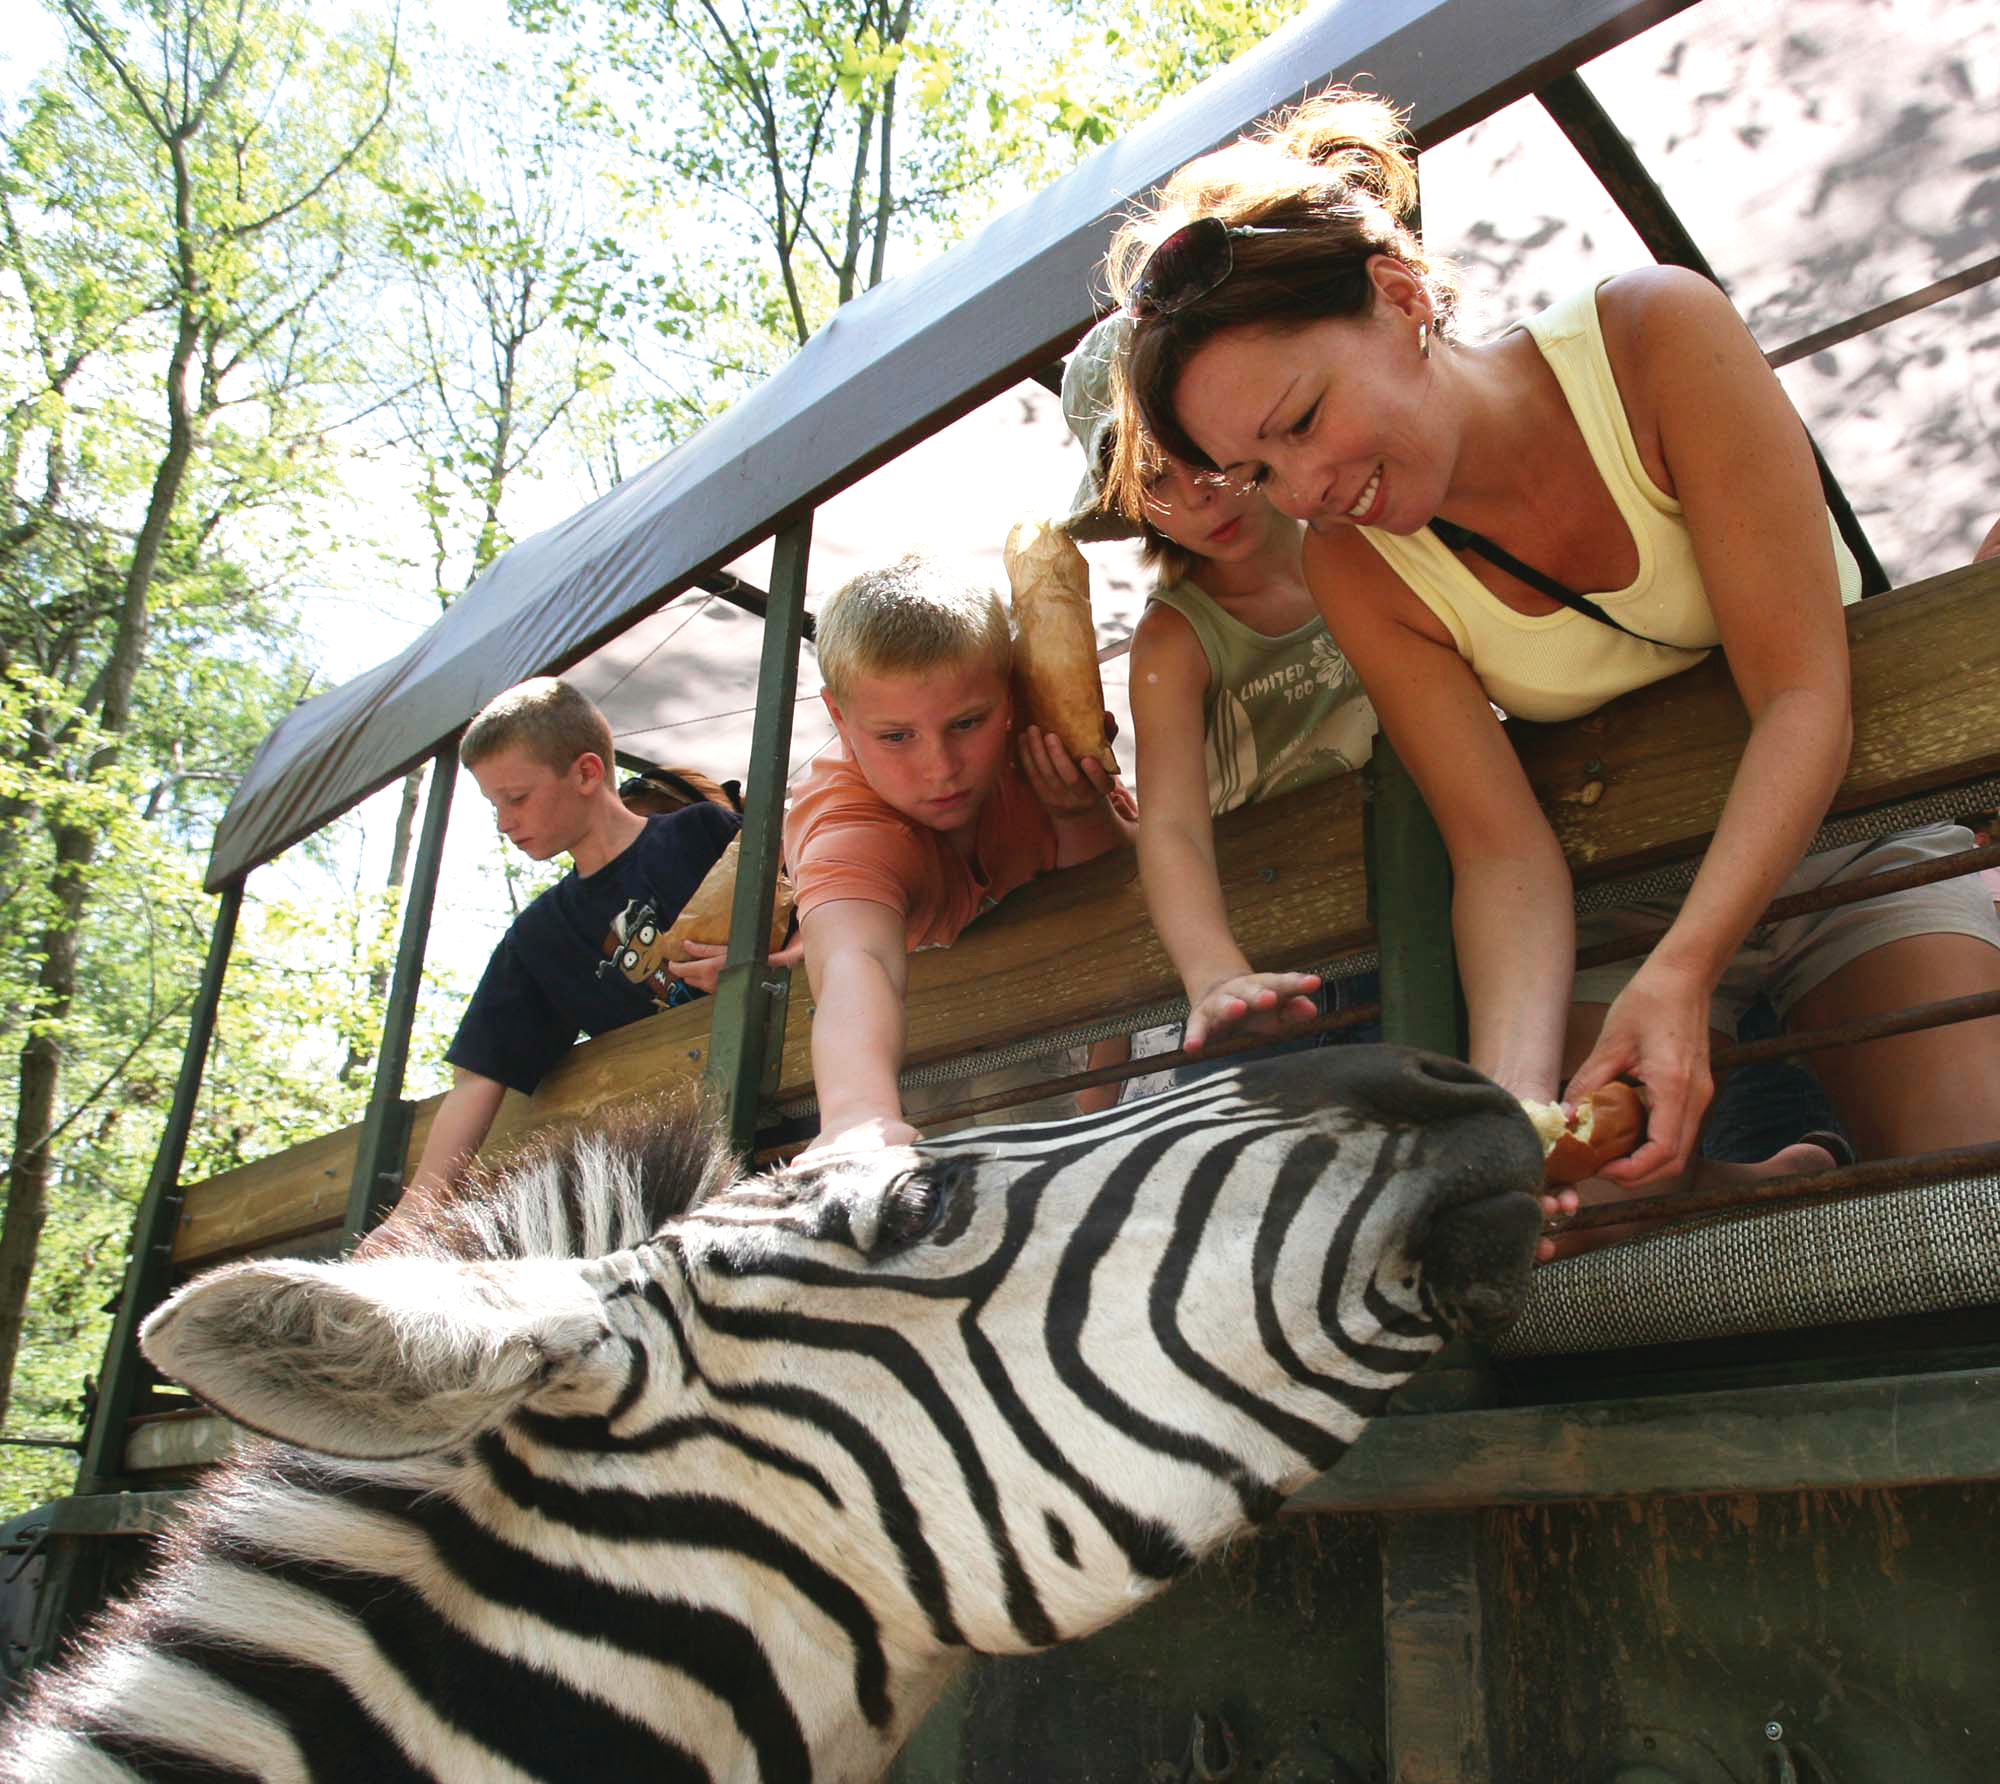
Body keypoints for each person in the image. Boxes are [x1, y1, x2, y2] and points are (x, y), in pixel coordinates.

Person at [1100, 87, 2000, 1252]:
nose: (1305, 487)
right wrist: (1505, 1116)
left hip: (1848, 833)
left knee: (1971, 1175)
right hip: (1624, 896)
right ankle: (1780, 1178)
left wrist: (1682, 976)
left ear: (1399, 294)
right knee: (1568, 1234)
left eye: (1304, 417)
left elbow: (1800, 696)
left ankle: (1799, 1165)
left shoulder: (1654, 337)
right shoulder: (1356, 566)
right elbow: (1502, 854)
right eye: (1255, 472)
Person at [1060, 311, 1378, 1059]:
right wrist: (1215, 976)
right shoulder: (1176, 640)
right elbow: (1169, 827)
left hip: (1421, 887)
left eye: (1198, 453)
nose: (1197, 496)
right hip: (1283, 956)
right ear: (1129, 503)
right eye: (1152, 478)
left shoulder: (1362, 538)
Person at [785, 555, 1132, 1152]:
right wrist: (858, 1116)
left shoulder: (1041, 749)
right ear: (839, 718)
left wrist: (1082, 813)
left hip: (1079, 1055)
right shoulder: (847, 824)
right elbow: (857, 957)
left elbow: (1123, 894)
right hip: (925, 1086)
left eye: (968, 722)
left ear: (1012, 691)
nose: (940, 769)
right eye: (896, 737)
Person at [400, 678, 739, 1210]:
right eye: (494, 805)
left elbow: (823, 914)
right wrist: (414, 1212)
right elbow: (477, 1081)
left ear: (586, 772)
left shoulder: (701, 834)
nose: (504, 823)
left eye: (516, 799)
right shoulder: (537, 936)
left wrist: (775, 961)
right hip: (673, 1162)